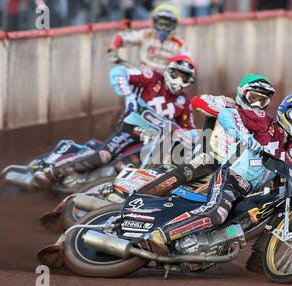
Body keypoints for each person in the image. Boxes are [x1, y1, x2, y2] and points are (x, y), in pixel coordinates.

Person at [139, 75, 292, 257]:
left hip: (248, 192)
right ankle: (158, 233)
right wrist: (246, 136)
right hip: (228, 176)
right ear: (284, 111)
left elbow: (285, 183)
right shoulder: (263, 120)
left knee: (275, 209)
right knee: (215, 213)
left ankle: (258, 259)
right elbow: (227, 114)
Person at [32, 55, 197, 187]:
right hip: (133, 126)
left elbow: (188, 129)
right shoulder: (151, 77)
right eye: (177, 74)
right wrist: (129, 95)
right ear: (169, 70)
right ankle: (53, 171)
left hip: (156, 140)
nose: (179, 81)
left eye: (185, 78)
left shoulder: (184, 101)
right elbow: (118, 72)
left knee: (136, 166)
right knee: (105, 155)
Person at [107, 3, 191, 73]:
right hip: (144, 77)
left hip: (166, 82)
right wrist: (113, 50)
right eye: (160, 24)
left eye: (167, 25)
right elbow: (120, 36)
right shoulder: (146, 35)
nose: (163, 29)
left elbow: (189, 65)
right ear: (154, 22)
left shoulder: (180, 44)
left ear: (175, 25)